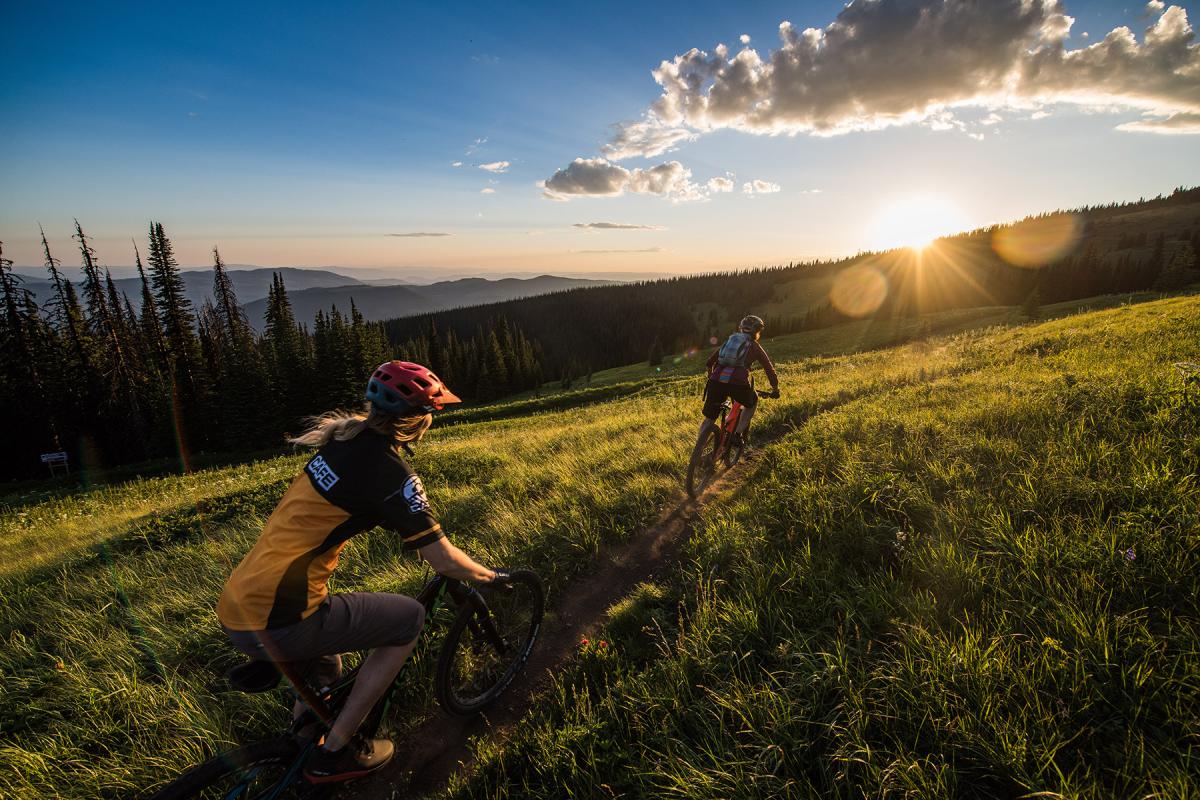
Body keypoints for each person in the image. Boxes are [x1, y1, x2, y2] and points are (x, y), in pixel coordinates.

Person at [216, 361, 498, 784]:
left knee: (328, 666)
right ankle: (336, 752)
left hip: (239, 604)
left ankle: (302, 740)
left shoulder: (339, 442)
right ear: (420, 420)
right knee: (409, 619)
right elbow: (441, 561)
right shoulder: (389, 470)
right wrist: (489, 577)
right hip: (281, 616)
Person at [698, 315, 780, 449]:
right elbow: (768, 368)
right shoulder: (755, 346)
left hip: (715, 382)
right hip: (738, 384)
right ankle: (737, 434)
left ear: (741, 328)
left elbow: (709, 363)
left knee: (709, 419)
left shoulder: (730, 341)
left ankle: (697, 452)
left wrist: (713, 378)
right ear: (757, 332)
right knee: (752, 401)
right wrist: (775, 389)